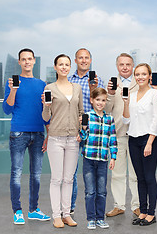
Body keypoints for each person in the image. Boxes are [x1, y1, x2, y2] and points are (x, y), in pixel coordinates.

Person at [2, 48, 51, 225]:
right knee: (16, 173)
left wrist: (48, 134)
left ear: (34, 61)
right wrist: (13, 90)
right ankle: (17, 211)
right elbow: (7, 109)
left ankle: (34, 210)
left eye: (30, 59)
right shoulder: (12, 83)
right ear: (19, 62)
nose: (27, 62)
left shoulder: (42, 84)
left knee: (36, 174)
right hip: (18, 133)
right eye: (24, 59)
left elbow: (46, 111)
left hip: (38, 133)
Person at [42, 54, 83, 228]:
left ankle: (67, 214)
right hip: (55, 138)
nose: (64, 67)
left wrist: (81, 129)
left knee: (69, 179)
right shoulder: (49, 88)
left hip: (73, 139)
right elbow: (46, 117)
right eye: (61, 64)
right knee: (56, 179)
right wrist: (46, 106)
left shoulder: (77, 88)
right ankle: (56, 216)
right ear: (55, 67)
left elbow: (81, 113)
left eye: (67, 64)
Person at [123, 63, 157, 226]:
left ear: (149, 76)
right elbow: (126, 120)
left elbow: (156, 119)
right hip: (133, 139)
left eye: (143, 74)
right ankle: (143, 211)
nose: (140, 77)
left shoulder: (154, 94)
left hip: (149, 139)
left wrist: (150, 142)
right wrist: (125, 102)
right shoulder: (131, 95)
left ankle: (151, 214)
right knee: (139, 178)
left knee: (149, 177)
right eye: (137, 74)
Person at [67, 48, 105, 214]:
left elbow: (101, 104)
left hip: (93, 132)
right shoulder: (68, 81)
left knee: (96, 172)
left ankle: (96, 211)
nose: (83, 60)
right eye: (80, 58)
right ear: (75, 60)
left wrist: (93, 88)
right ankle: (70, 208)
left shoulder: (98, 81)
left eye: (86, 58)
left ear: (90, 60)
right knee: (71, 171)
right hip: (74, 130)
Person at [105, 53, 140, 217]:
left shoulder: (139, 82)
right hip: (117, 134)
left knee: (135, 174)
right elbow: (106, 110)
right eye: (121, 64)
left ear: (132, 66)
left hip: (136, 134)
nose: (125, 67)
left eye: (128, 64)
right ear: (117, 66)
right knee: (117, 173)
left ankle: (137, 205)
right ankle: (119, 205)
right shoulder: (112, 85)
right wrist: (110, 94)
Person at [80, 87, 118, 230]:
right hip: (89, 159)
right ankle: (91, 219)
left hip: (103, 160)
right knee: (90, 191)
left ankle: (100, 218)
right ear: (92, 100)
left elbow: (112, 139)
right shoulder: (87, 117)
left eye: (103, 100)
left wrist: (113, 157)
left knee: (101, 191)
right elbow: (83, 139)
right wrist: (83, 128)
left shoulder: (110, 119)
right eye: (97, 100)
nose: (100, 103)